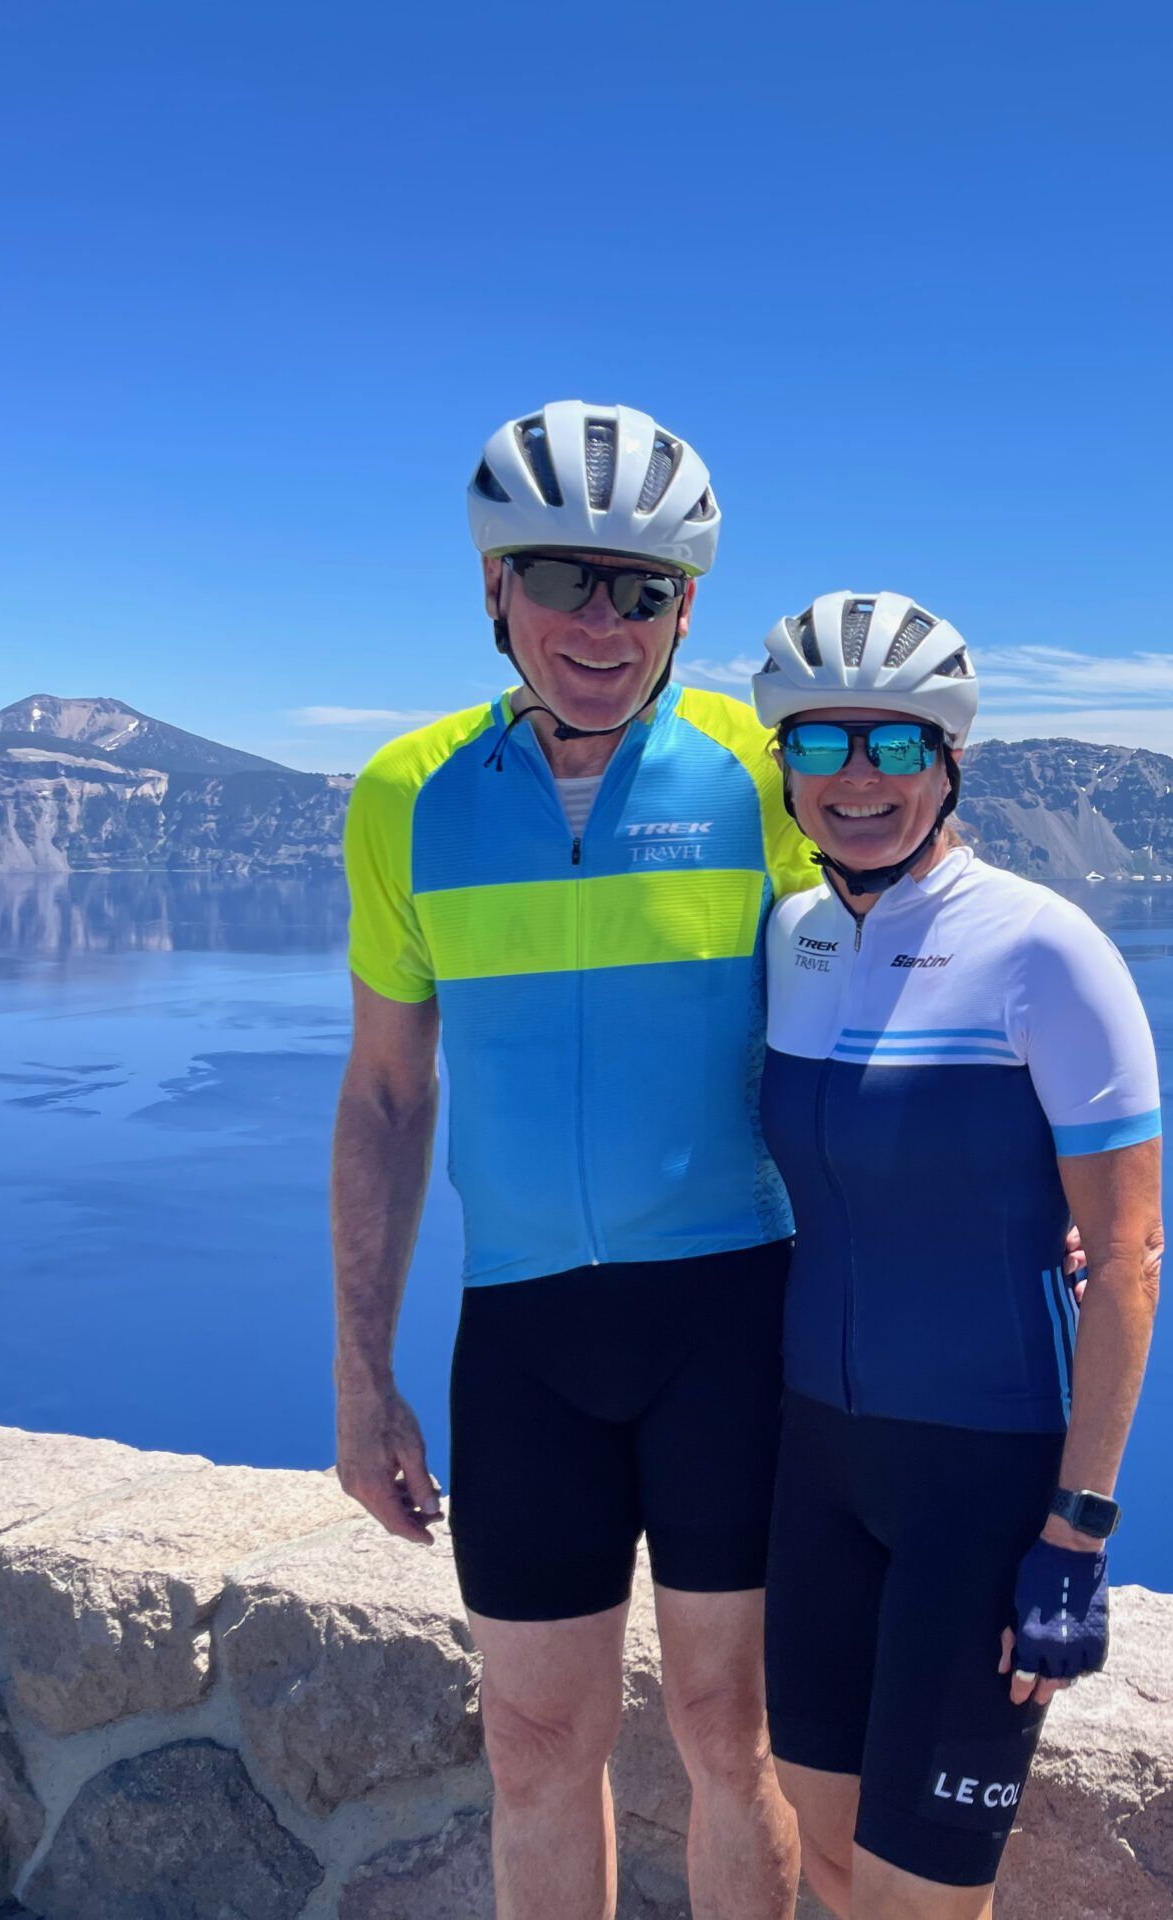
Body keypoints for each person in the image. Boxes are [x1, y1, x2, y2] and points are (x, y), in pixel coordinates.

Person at [333, 402, 815, 1919]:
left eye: (642, 588)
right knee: (536, 1740)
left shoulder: (764, 771)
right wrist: (362, 1378)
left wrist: (1032, 1193)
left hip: (731, 1317)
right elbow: (388, 1102)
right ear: (494, 592)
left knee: (731, 1737)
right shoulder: (407, 798)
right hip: (527, 1339)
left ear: (689, 607)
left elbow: (899, 991)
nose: (600, 623)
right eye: (561, 577)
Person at [748, 594, 1166, 1917]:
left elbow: (1131, 1256)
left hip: (981, 1493)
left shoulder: (1045, 949)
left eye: (895, 745)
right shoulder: (793, 940)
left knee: (920, 1903)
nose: (857, 780)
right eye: (821, 747)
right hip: (814, 1468)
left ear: (950, 763)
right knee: (823, 1857)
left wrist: (1078, 1535)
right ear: (786, 767)